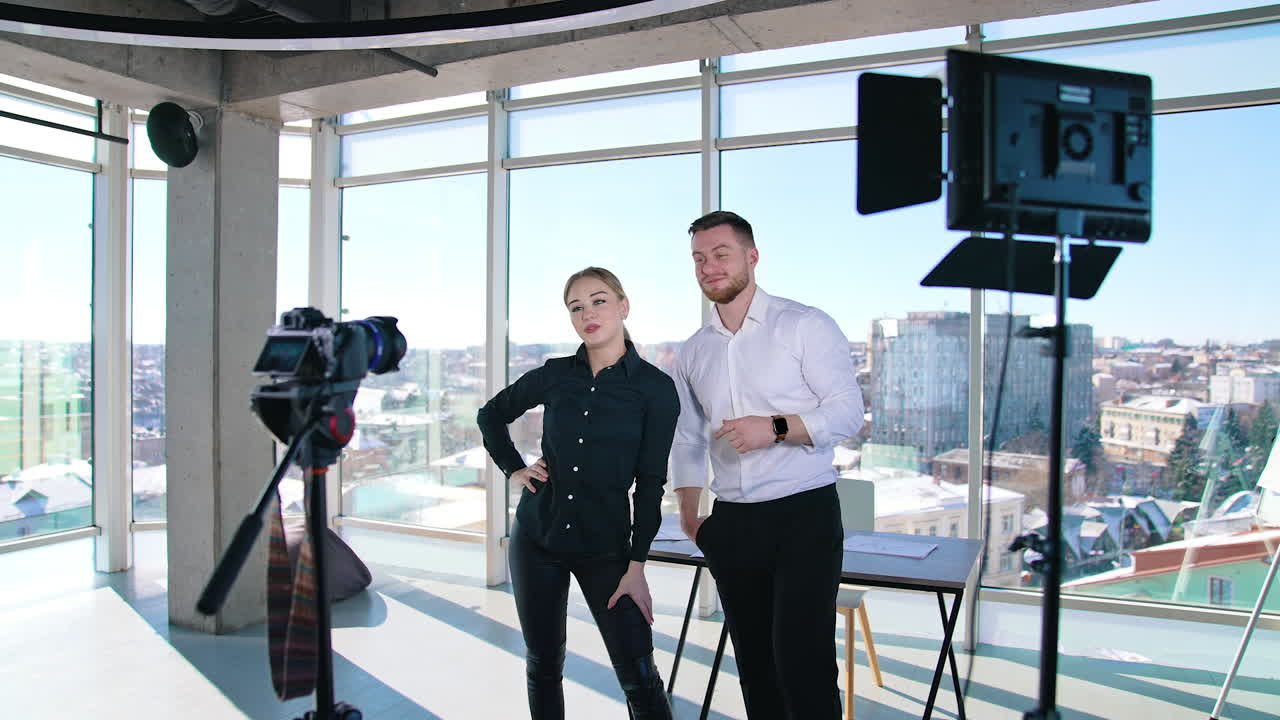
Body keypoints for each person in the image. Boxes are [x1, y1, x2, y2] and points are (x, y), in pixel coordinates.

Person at [670, 211, 865, 719]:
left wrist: (775, 427)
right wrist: (690, 514)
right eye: (698, 258)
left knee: (804, 667)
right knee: (756, 669)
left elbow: (847, 412)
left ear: (751, 257)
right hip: (732, 521)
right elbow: (688, 438)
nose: (709, 267)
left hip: (804, 516)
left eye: (720, 254)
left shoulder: (804, 325)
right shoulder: (693, 352)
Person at [477, 267, 679, 720]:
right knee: (544, 664)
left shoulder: (654, 389)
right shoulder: (554, 375)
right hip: (537, 536)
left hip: (606, 548)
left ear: (623, 307)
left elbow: (651, 484)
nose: (588, 313)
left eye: (599, 300)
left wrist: (637, 564)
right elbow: (491, 416)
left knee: (639, 675)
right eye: (576, 307)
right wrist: (515, 470)